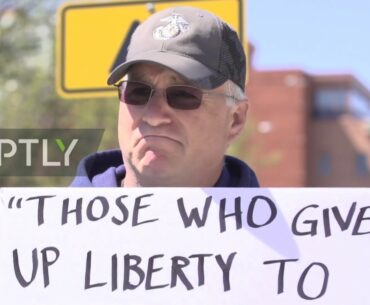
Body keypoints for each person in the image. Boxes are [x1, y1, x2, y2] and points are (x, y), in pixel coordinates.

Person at [71, 6, 259, 187]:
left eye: (183, 95)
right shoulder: (52, 218)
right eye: (138, 92)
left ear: (235, 119)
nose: (154, 117)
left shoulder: (276, 218)